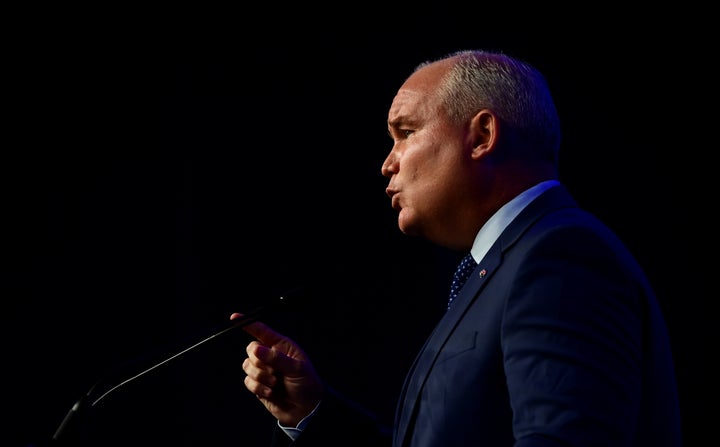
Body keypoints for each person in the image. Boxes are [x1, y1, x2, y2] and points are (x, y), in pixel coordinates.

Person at [232, 49, 682, 446]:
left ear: (482, 135)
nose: (388, 163)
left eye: (405, 132)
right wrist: (310, 413)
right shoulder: (500, 267)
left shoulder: (560, 256)